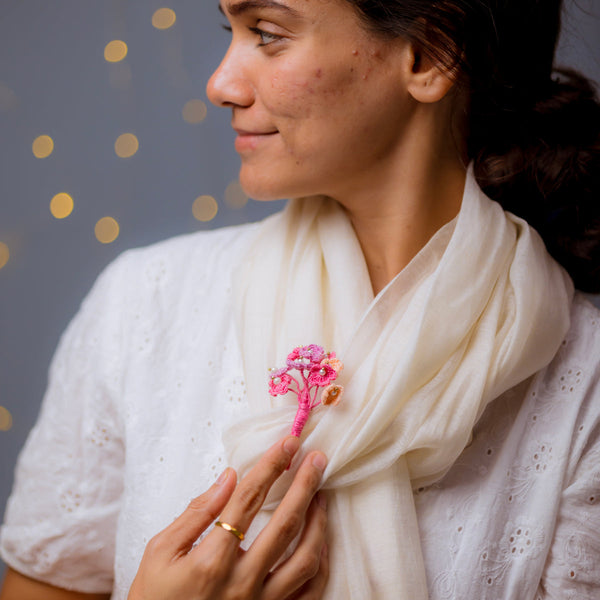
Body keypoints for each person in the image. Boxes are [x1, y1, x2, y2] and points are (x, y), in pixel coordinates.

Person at [1, 0, 599, 598]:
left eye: (267, 33)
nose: (220, 84)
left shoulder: (585, 375)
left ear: (429, 55)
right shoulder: (146, 305)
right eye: (230, 31)